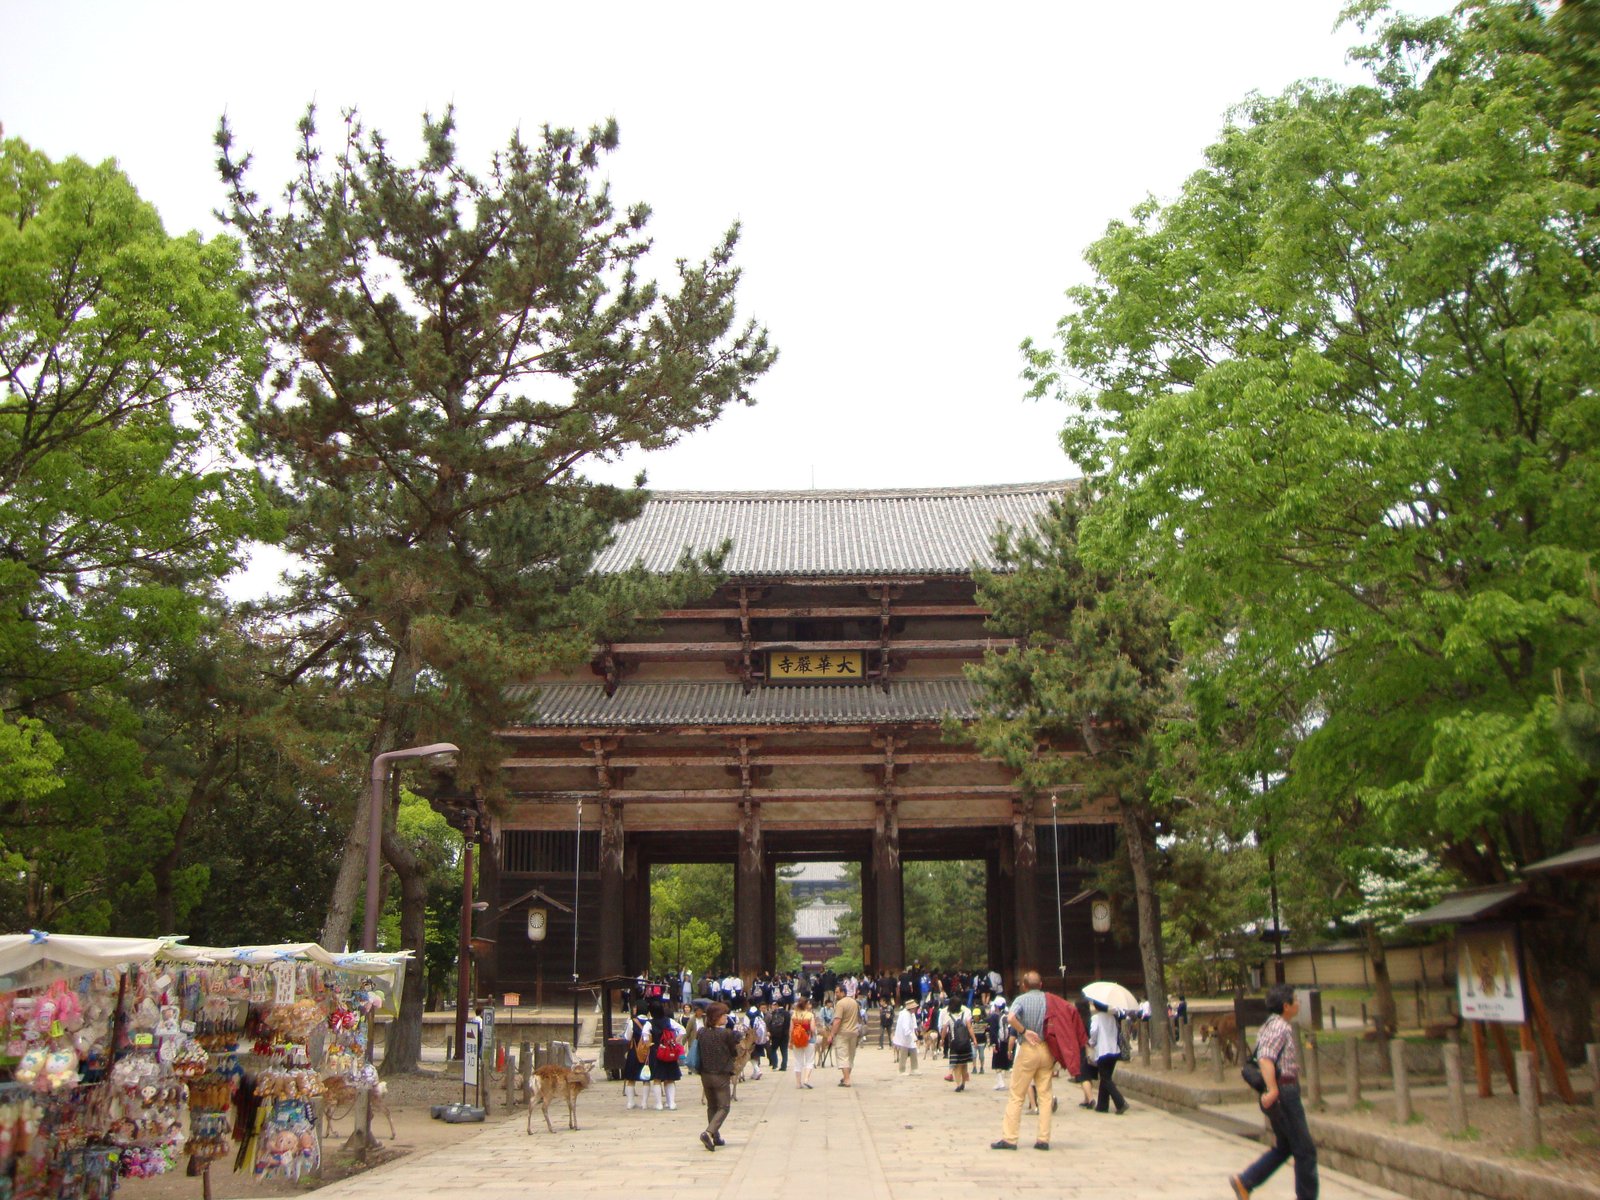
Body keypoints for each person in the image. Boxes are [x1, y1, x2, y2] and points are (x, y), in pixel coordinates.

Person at [1230, 984, 1317, 1200]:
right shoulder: (1280, 1027)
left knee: (1285, 1146)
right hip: (1284, 1092)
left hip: (1282, 1092)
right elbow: (1266, 1058)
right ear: (1286, 1006)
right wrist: (1273, 1089)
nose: (1298, 1003)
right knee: (1305, 1151)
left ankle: (1246, 1181)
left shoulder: (1270, 1024)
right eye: (1295, 1000)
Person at [991, 970, 1054, 1151]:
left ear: (1024, 986)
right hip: (1045, 1048)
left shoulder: (1021, 1000)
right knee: (1045, 1095)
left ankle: (1010, 1138)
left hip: (1028, 1047)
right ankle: (1043, 1139)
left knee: (1017, 1094)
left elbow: (1011, 1017)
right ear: (1041, 984)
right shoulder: (1049, 1000)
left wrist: (1024, 1030)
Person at [695, 1003, 739, 1151]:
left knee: (712, 1105)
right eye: (723, 1015)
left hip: (705, 1074)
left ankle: (716, 1136)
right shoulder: (726, 1033)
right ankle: (708, 1132)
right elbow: (734, 1051)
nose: (726, 1017)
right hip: (720, 1074)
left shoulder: (701, 1032)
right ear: (716, 1017)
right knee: (724, 1106)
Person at [1089, 1000, 1129, 1115]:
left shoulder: (1096, 1018)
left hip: (1103, 1050)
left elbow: (1093, 1032)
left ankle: (1120, 1102)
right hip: (1113, 1050)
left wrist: (1091, 1042)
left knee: (1106, 1079)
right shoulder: (1112, 1017)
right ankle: (1102, 1105)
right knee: (1105, 1077)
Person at [826, 982, 862, 1087]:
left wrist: (831, 1034)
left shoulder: (840, 1004)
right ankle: (847, 1077)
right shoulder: (855, 1002)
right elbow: (859, 1018)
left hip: (843, 1032)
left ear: (842, 992)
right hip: (854, 1032)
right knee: (850, 1056)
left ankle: (847, 1079)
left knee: (843, 1056)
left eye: (837, 992)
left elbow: (837, 1020)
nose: (836, 994)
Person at [622, 1005, 651, 1111]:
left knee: (631, 1078)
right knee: (646, 1078)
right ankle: (644, 1103)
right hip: (647, 1052)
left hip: (634, 1051)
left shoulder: (632, 1022)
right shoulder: (650, 1022)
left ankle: (630, 1102)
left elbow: (627, 1037)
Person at [945, 996, 974, 1092]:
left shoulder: (948, 1016)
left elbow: (944, 1029)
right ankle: (963, 1083)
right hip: (965, 1042)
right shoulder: (965, 1014)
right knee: (964, 1063)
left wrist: (941, 1040)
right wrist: (974, 1039)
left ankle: (958, 1084)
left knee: (957, 1065)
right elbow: (969, 1027)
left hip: (954, 1043)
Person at [790, 996, 819, 1088]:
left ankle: (798, 1083)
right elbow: (813, 1029)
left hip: (796, 1039)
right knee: (809, 1060)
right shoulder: (810, 1015)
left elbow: (791, 1029)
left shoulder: (794, 1015)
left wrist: (790, 1041)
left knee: (798, 1061)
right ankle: (806, 1079)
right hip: (808, 1039)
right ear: (806, 1005)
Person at [989, 994, 1012, 1090]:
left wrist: (993, 1044)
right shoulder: (1008, 1014)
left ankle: (1000, 1082)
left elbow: (993, 1032)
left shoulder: (994, 1016)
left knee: (997, 1064)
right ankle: (1013, 1083)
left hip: (999, 1043)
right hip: (1008, 1042)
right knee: (1008, 1064)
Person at [892, 997, 920, 1073]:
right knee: (904, 1053)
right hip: (904, 1037)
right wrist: (913, 1036)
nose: (915, 1009)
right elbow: (906, 1028)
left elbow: (913, 1024)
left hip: (910, 1036)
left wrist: (914, 1032)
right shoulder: (905, 1015)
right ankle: (901, 1070)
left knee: (913, 1051)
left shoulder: (911, 1014)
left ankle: (914, 1069)